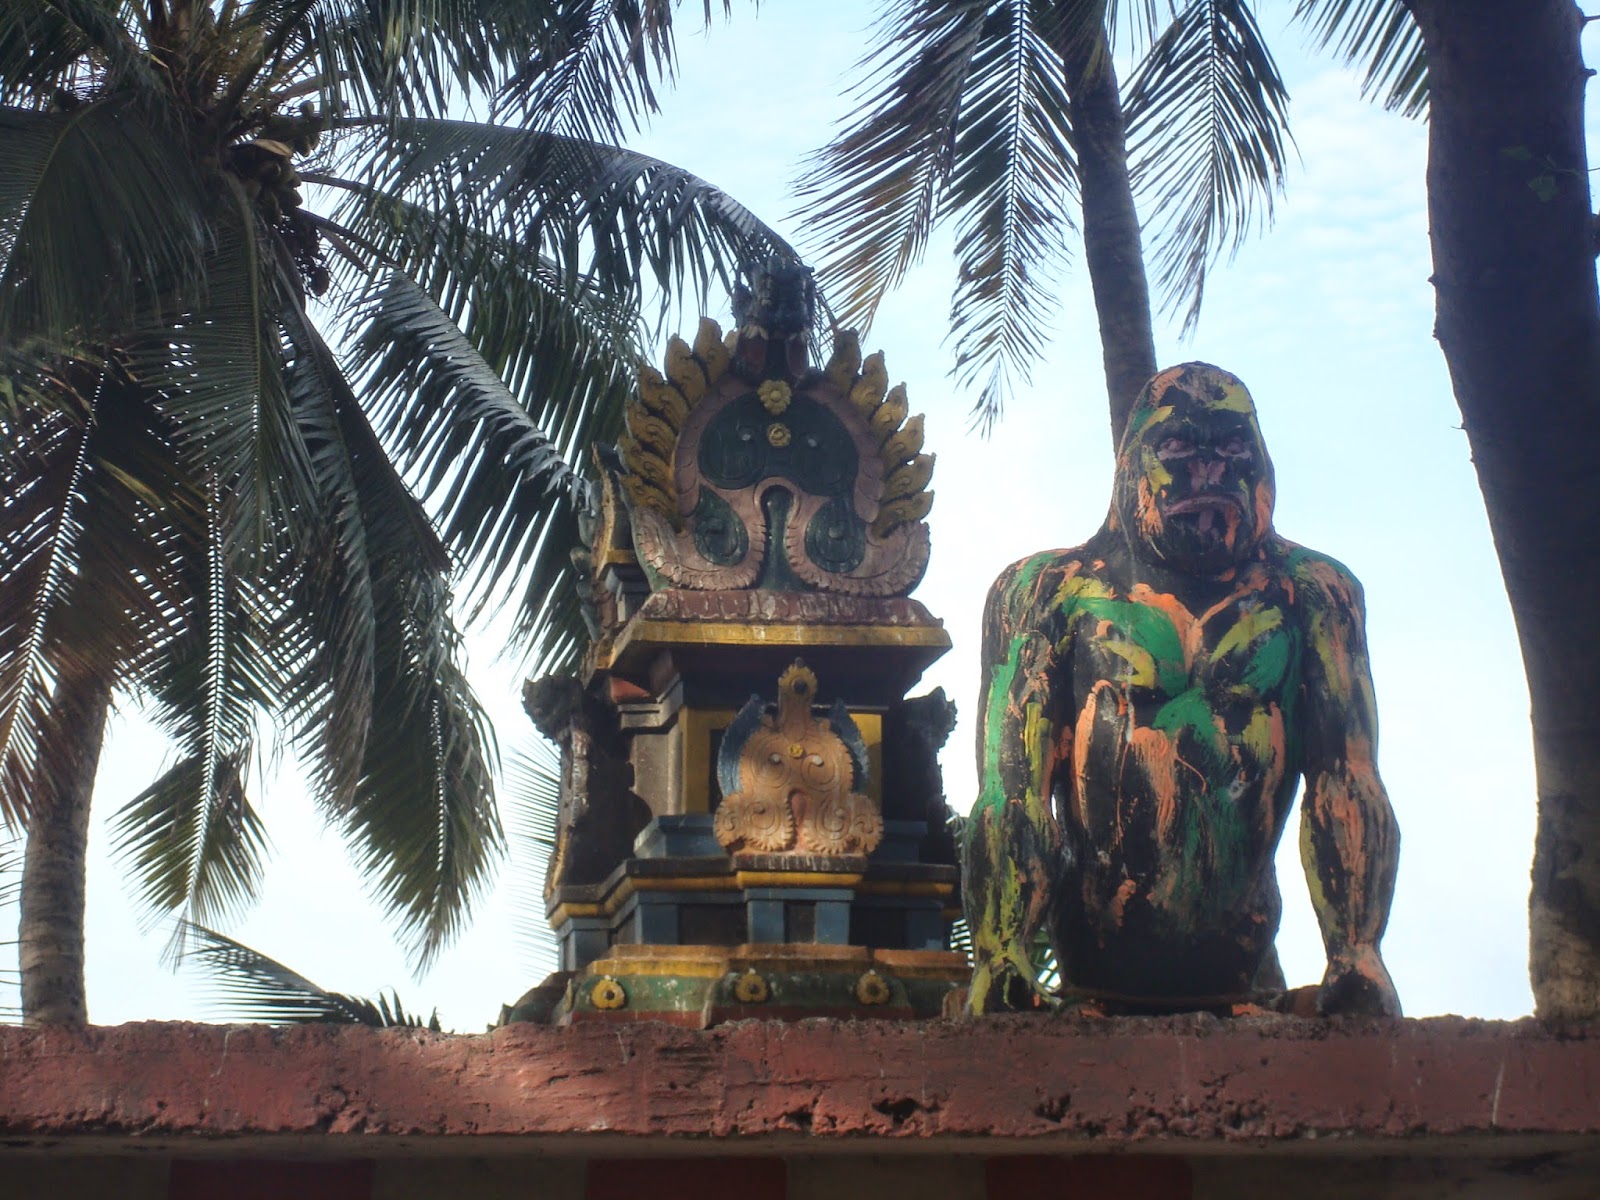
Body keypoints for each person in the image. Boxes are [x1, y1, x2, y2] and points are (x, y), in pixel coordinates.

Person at [963, 363, 1401, 1016]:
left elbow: (1347, 777)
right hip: (1092, 961)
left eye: (1231, 449)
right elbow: (1012, 791)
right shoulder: (1046, 591)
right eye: (1178, 449)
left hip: (1239, 960)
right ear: (1132, 466)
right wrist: (1002, 955)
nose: (1209, 474)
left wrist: (1356, 954)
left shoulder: (1312, 592)